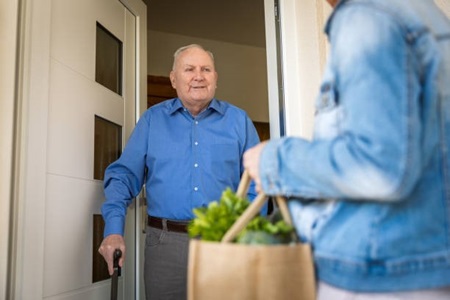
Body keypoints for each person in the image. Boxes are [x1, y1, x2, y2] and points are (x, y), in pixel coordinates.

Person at [243, 0, 450, 299]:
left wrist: (274, 160)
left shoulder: (367, 16)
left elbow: (379, 165)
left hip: (377, 273)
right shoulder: (423, 14)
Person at [99, 44, 260, 299]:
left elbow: (257, 183)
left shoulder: (238, 121)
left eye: (206, 69)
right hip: (164, 244)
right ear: (174, 79)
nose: (199, 76)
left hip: (224, 241)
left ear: (215, 78)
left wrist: (244, 229)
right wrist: (113, 229)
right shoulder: (152, 120)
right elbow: (124, 176)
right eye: (189, 69)